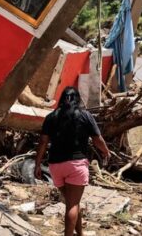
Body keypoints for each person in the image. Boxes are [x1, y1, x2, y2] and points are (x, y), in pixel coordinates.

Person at [33, 87, 111, 236]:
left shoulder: (51, 117)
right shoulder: (85, 115)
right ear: (78, 99)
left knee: (72, 202)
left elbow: (43, 142)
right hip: (76, 165)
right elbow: (97, 139)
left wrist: (37, 164)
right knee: (72, 204)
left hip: (55, 166)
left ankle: (79, 233)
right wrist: (105, 151)